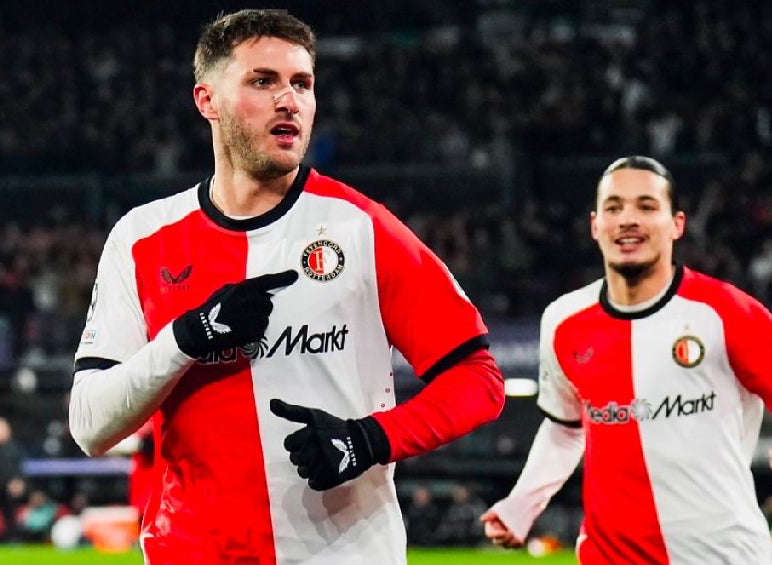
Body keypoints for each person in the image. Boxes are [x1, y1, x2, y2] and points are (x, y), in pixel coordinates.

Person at [68, 8, 505, 564]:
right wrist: (187, 338)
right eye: (263, 81)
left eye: (302, 83)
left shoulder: (362, 228)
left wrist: (369, 439)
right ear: (207, 101)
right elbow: (90, 426)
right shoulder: (140, 239)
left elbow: (478, 379)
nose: (289, 100)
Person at [479, 156, 772, 563]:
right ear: (595, 225)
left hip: (724, 555)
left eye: (646, 207)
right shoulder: (563, 321)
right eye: (614, 207)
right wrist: (522, 503)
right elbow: (565, 427)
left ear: (677, 224)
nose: (628, 219)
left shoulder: (729, 314)